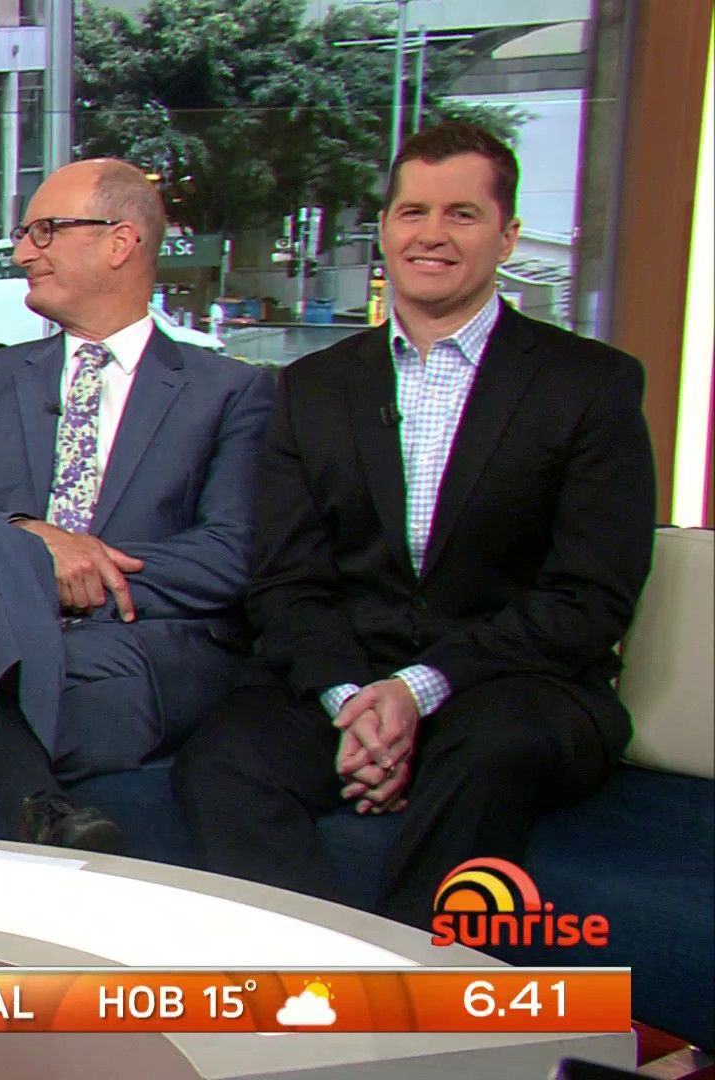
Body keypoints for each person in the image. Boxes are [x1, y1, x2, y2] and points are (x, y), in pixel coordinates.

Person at [172, 123, 656, 928]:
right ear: (386, 229)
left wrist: (418, 690)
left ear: (507, 236)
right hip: (349, 677)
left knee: (490, 752)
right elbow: (287, 581)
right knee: (226, 759)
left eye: (462, 214)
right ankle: (314, 983)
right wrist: (354, 701)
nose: (432, 234)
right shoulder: (311, 387)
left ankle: (410, 996)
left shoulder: (590, 385)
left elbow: (589, 597)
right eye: (413, 212)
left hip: (513, 687)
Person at [0, 158, 274, 849]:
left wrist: (82, 571)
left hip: (131, 648)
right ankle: (36, 809)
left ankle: (11, 814)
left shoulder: (231, 391)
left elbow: (228, 555)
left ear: (120, 242)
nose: (23, 253)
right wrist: (32, 544)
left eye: (46, 231)